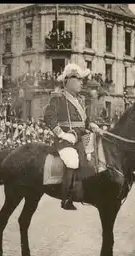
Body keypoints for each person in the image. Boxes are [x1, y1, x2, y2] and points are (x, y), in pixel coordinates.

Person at [43, 63, 102, 210]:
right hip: (65, 140)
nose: (82, 82)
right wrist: (61, 134)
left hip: (81, 137)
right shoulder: (58, 98)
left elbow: (85, 121)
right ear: (68, 80)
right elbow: (48, 117)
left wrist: (92, 125)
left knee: (96, 157)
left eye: (82, 79)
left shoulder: (80, 99)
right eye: (79, 78)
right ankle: (66, 198)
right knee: (72, 161)